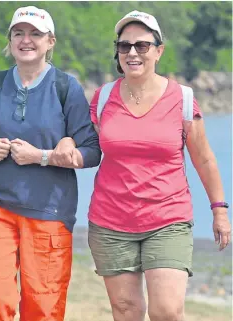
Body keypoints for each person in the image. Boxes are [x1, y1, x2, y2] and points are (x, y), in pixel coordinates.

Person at [0, 6, 101, 321]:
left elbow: (92, 151)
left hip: (49, 211)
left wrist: (44, 156)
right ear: (10, 40)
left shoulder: (66, 88)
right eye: (19, 33)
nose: (26, 40)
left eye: (35, 34)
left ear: (50, 41)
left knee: (42, 309)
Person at [87, 10, 231, 321]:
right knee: (126, 311)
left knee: (167, 311)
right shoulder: (102, 99)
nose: (133, 53)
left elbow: (204, 158)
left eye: (142, 45)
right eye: (124, 46)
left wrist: (219, 210)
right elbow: (86, 149)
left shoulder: (182, 99)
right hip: (110, 220)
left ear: (158, 50)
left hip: (168, 218)